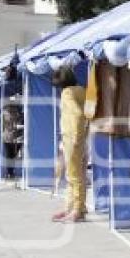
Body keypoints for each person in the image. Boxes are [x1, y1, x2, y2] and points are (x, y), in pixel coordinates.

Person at [51, 68, 88, 222]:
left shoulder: (66, 93)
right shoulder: (81, 90)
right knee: (78, 174)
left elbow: (77, 114)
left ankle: (76, 209)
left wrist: (74, 136)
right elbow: (86, 113)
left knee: (73, 175)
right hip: (81, 138)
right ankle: (73, 207)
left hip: (72, 138)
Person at [2, 96, 23, 181]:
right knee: (10, 156)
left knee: (12, 156)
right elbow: (9, 125)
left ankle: (10, 172)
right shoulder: (6, 113)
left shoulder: (16, 111)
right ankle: (9, 173)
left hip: (15, 137)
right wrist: (17, 126)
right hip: (9, 137)